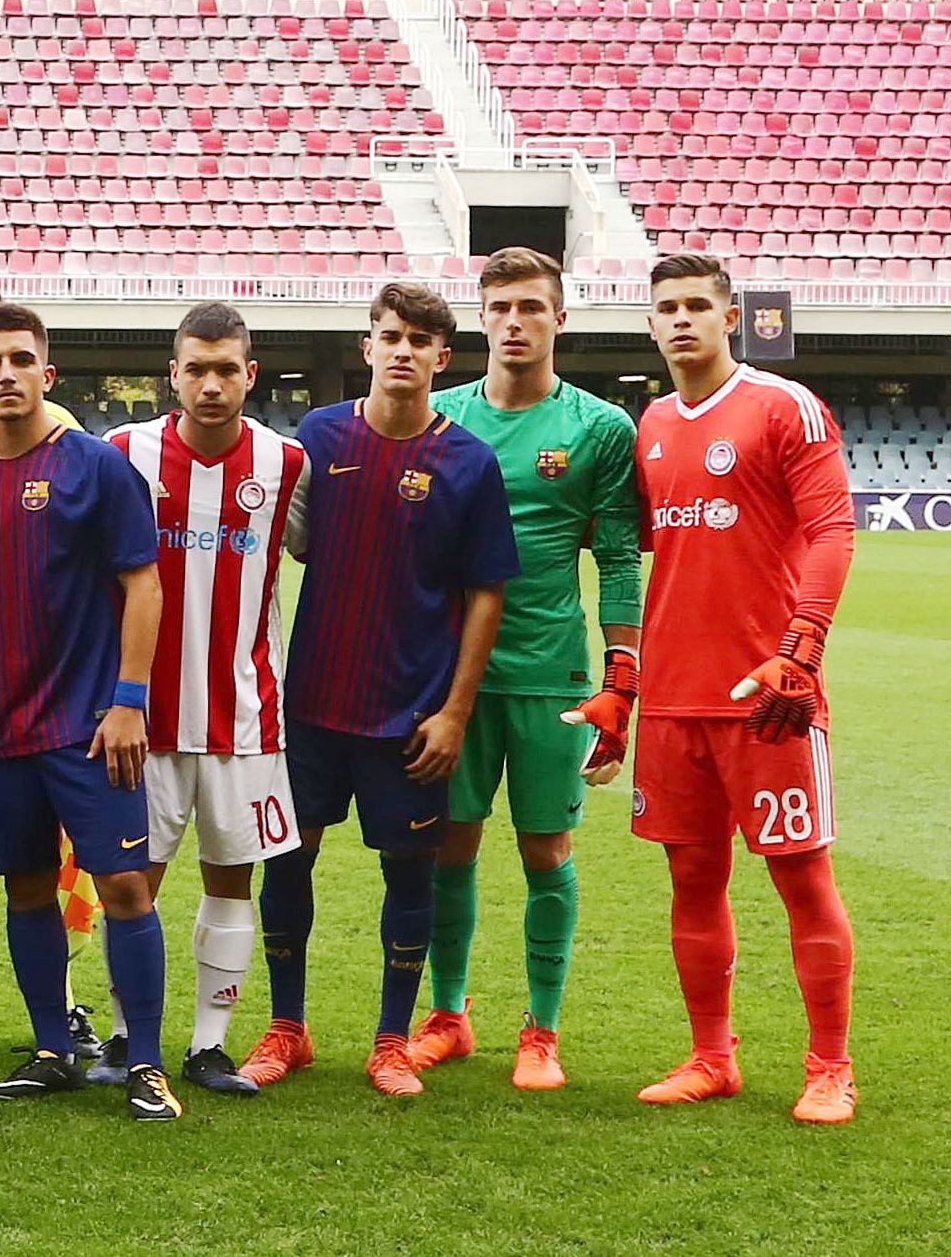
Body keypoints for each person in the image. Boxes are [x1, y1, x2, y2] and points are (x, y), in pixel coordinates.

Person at [599, 252, 861, 1123]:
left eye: (696, 306)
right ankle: (713, 1056)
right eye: (665, 306)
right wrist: (626, 678)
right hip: (675, 699)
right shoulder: (651, 423)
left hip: (768, 694)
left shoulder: (783, 406)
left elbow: (831, 530)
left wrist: (804, 646)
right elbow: (632, 557)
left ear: (730, 316)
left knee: (802, 878)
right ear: (650, 324)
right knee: (692, 879)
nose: (681, 319)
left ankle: (830, 1067)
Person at [261, 283, 519, 1099]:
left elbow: (486, 592)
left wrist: (454, 711)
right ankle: (287, 1028)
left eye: (420, 340)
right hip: (312, 705)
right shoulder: (320, 435)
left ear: (443, 358)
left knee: (411, 872)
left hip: (410, 714)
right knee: (288, 859)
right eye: (389, 335)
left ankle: (390, 1041)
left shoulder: (468, 461)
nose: (402, 350)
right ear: (368, 347)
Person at [0, 302, 177, 1120]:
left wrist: (129, 700)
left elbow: (143, 583)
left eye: (19, 359)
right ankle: (52, 1047)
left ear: (48, 371)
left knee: (125, 889)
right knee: (27, 888)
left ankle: (144, 1061)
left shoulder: (96, 467)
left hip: (88, 723)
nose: (4, 373)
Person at [419, 245, 645, 1089]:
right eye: (502, 307)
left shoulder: (599, 428)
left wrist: (622, 677)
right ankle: (449, 1014)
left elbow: (620, 557)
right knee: (451, 842)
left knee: (546, 847)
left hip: (552, 671)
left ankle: (541, 1030)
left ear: (561, 317)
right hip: (454, 678)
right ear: (481, 317)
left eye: (533, 307)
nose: (516, 322)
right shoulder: (439, 416)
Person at [105, 302, 302, 1097]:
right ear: (173, 374)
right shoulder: (124, 452)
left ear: (251, 374)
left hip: (245, 716)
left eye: (228, 369)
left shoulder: (288, 462)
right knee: (133, 884)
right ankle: (126, 1037)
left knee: (232, 878)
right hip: (142, 721)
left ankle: (209, 1045)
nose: (212, 384)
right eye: (197, 368)